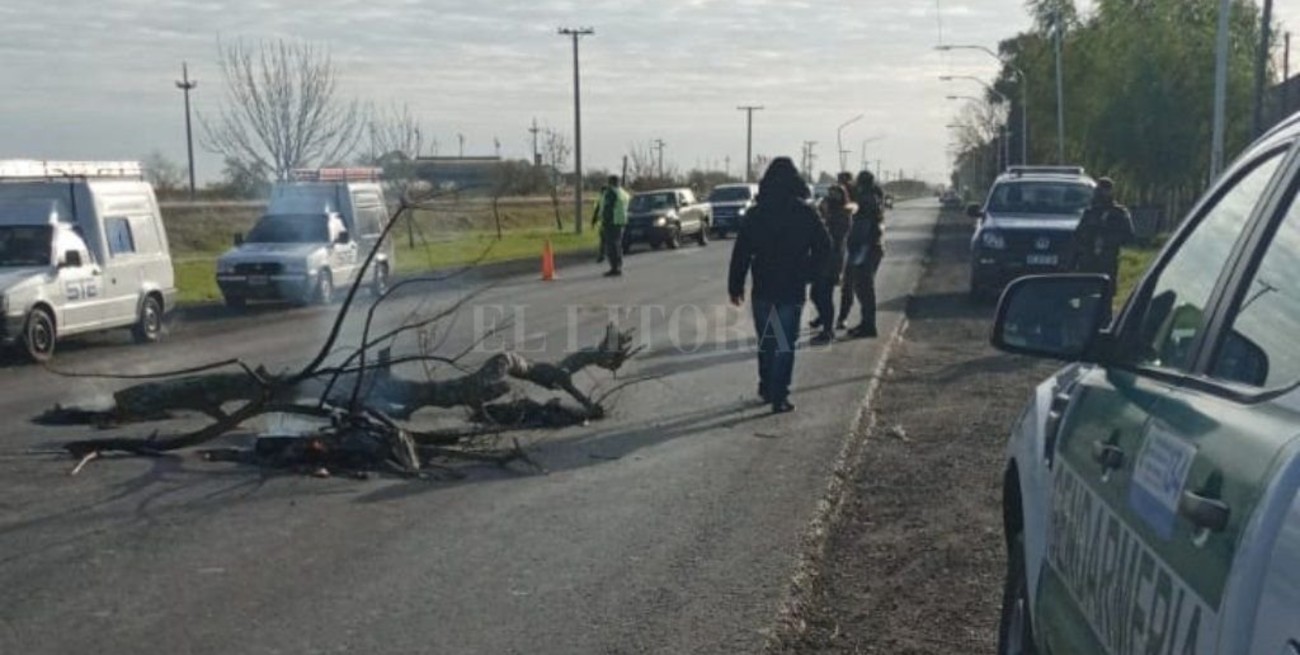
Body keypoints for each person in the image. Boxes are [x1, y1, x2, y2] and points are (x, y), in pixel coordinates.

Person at [728, 157, 832, 413]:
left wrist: (736, 285)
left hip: (763, 284)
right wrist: (812, 273)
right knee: (785, 343)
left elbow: (741, 251)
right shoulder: (805, 212)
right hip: (792, 286)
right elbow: (825, 247)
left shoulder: (756, 213)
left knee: (768, 341)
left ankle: (766, 386)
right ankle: (779, 395)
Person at [839, 171, 885, 338]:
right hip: (873, 246)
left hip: (865, 247)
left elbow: (860, 220)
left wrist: (853, 246)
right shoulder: (874, 196)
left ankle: (868, 326)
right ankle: (866, 323)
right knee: (864, 288)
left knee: (864, 288)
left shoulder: (866, 199)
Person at [808, 175, 853, 344]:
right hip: (822, 259)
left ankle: (828, 330)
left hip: (833, 259)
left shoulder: (842, 215)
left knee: (824, 294)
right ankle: (824, 320)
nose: (831, 198)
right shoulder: (830, 213)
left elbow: (834, 238)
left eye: (835, 195)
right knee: (816, 294)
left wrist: (825, 217)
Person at [1071, 177, 1135, 285]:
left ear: (1110, 192)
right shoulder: (1090, 212)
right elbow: (1078, 234)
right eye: (1098, 190)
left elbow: (1129, 236)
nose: (1099, 193)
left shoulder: (1119, 213)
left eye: (1103, 190)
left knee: (1106, 289)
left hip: (1107, 259)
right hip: (1088, 260)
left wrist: (1107, 240)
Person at [591, 175, 631, 277]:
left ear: (610, 182)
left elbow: (608, 208)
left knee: (611, 246)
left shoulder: (611, 193)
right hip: (621, 221)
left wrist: (604, 221)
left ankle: (614, 268)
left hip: (611, 222)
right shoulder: (623, 193)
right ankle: (617, 266)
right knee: (617, 245)